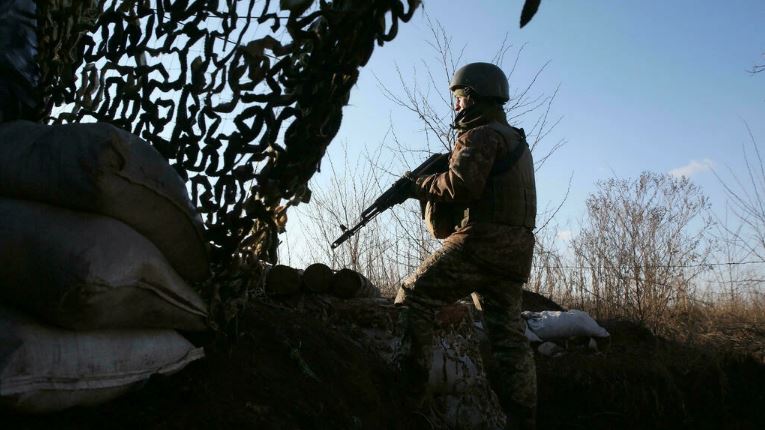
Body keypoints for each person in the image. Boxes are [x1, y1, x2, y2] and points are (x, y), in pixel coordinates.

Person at [395, 62, 538, 430]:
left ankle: (407, 399)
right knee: (508, 337)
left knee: (413, 296)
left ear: (473, 96)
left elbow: (461, 186)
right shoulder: (516, 140)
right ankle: (522, 417)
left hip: (480, 244)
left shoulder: (480, 136)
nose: (456, 105)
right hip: (515, 251)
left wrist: (419, 185)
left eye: (459, 97)